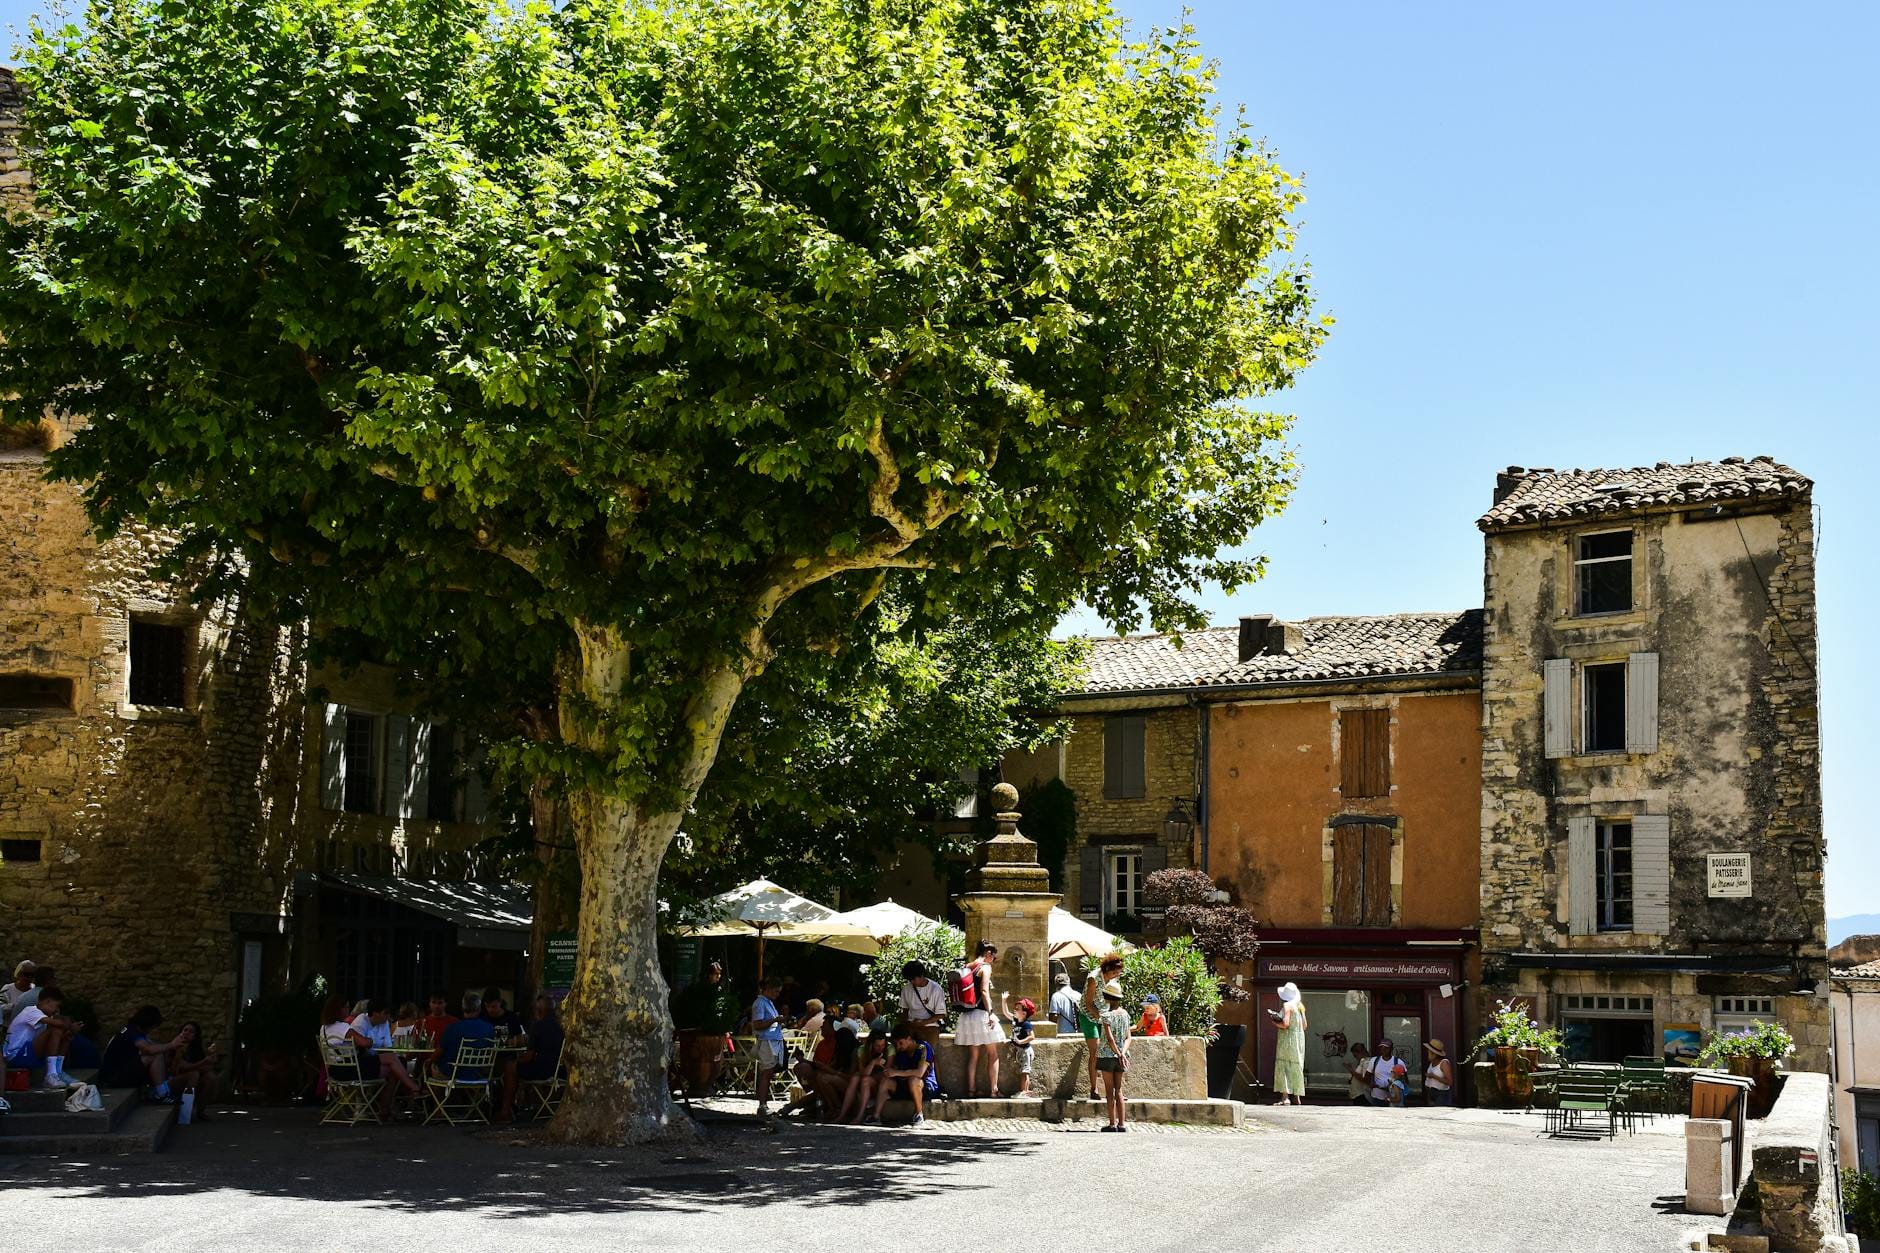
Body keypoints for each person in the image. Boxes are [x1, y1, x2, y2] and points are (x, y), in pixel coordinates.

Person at [497, 994, 564, 1121]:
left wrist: (517, 1060)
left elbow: (529, 1056)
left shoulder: (538, 1026)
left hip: (543, 1070)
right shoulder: (560, 1026)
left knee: (510, 1067)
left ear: (539, 1011)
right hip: (558, 1070)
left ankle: (505, 1111)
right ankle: (525, 1104)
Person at [351, 998, 422, 1113]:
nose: (388, 1017)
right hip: (361, 1063)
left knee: (397, 1065)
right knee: (395, 1066)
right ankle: (413, 1090)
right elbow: (362, 1048)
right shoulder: (361, 1023)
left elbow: (388, 1047)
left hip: (377, 1060)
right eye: (385, 1013)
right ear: (375, 1013)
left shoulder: (384, 1023)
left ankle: (385, 1109)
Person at [98, 1004, 183, 1098]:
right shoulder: (131, 1032)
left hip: (119, 1073)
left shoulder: (131, 1030)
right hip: (112, 1078)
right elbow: (149, 1049)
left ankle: (161, 1088)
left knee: (159, 1052)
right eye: (153, 1027)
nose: (152, 1030)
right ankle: (162, 1094)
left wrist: (172, 1047)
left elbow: (155, 1047)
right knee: (155, 1055)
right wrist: (172, 1044)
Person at [955, 941, 1004, 1098]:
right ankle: (994, 1090)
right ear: (989, 953)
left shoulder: (968, 966)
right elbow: (984, 991)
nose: (993, 961)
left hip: (967, 1015)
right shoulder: (985, 967)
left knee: (973, 1056)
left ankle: (971, 1090)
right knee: (993, 1053)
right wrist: (990, 1012)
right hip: (982, 1014)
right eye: (994, 957)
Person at [5, 984, 77, 1089]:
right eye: (56, 1006)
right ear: (47, 1001)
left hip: (28, 1053)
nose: (57, 1010)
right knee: (55, 1029)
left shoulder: (45, 1017)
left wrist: (70, 1032)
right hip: (16, 1055)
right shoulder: (31, 1011)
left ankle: (57, 1071)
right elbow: (59, 1024)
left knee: (66, 1035)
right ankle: (50, 1075)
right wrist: (69, 1025)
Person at [1080, 952, 1126, 1102]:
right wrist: (1100, 1018)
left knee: (1113, 1051)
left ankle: (1116, 1091)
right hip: (1089, 1016)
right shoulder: (1094, 978)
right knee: (1095, 1051)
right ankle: (1093, 1088)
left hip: (1105, 1016)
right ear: (1106, 968)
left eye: (1117, 973)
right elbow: (1088, 1002)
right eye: (1113, 972)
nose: (1115, 975)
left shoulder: (1113, 979)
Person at [869, 1024, 931, 1126]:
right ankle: (876, 1116)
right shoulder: (900, 1051)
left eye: (901, 1043)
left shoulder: (923, 1048)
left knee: (913, 1080)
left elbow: (920, 1072)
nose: (898, 1046)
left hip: (923, 1088)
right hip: (903, 1086)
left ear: (909, 1038)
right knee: (885, 1081)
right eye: (896, 1043)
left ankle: (919, 1114)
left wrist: (896, 1072)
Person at [1095, 979, 1131, 1132]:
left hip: (1107, 1055)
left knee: (1109, 1091)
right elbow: (1129, 1037)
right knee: (1120, 1090)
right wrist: (1122, 1054)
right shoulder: (1125, 1014)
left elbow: (1109, 1039)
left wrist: (1116, 1053)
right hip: (1122, 1056)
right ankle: (1122, 1124)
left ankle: (1112, 1124)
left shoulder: (1106, 1015)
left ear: (1107, 997)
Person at [169, 1023, 225, 1118]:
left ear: (195, 1036)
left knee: (210, 1077)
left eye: (191, 1031)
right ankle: (185, 1114)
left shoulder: (195, 1050)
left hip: (191, 1081)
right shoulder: (175, 1047)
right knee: (193, 1074)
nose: (187, 1033)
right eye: (185, 1030)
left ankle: (201, 1111)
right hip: (171, 1081)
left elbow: (205, 1068)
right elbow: (182, 1068)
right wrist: (204, 1062)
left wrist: (211, 1061)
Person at [751, 976, 786, 1119]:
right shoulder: (760, 1003)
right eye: (776, 991)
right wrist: (775, 1020)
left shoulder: (768, 1003)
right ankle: (762, 1105)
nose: (778, 995)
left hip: (772, 1040)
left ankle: (764, 1104)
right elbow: (757, 1024)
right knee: (766, 1073)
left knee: (769, 1073)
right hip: (767, 1042)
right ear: (769, 989)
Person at [838, 1033, 892, 1124]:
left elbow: (887, 1072)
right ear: (871, 1044)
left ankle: (860, 1115)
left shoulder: (890, 1048)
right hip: (868, 1079)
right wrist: (873, 1062)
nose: (880, 1048)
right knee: (855, 1078)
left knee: (865, 1080)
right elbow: (863, 1072)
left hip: (882, 1085)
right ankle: (842, 1115)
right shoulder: (862, 1050)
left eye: (883, 1045)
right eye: (877, 1046)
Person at [897, 960, 947, 1054]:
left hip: (930, 1028)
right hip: (911, 1027)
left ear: (921, 975)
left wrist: (923, 1023)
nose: (912, 982)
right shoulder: (906, 989)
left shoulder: (936, 989)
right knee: (907, 1054)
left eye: (913, 979)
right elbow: (905, 1010)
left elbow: (941, 1014)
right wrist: (906, 1024)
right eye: (909, 980)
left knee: (928, 1055)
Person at [438, 992, 497, 1069]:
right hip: (479, 1075)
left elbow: (439, 1052)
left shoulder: (452, 1028)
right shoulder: (489, 1028)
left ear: (462, 1008)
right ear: (479, 1009)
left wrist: (430, 1060)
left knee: (434, 1067)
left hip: (453, 1074)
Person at [1270, 982, 1307, 1105]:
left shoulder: (1287, 1005)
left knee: (1284, 1065)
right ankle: (1297, 1097)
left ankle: (1285, 1097)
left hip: (1288, 1039)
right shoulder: (1300, 1006)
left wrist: (1274, 1022)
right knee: (1297, 1066)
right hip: (1299, 1039)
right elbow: (1305, 1025)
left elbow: (1285, 1024)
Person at [1364, 1039, 1408, 1107]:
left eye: (1386, 1048)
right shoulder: (1374, 1060)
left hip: (1394, 1098)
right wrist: (1371, 1084)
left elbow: (1405, 1080)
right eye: (1381, 1047)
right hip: (1377, 1097)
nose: (1383, 1049)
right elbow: (1367, 1076)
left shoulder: (1399, 1062)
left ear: (1391, 1049)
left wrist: (1393, 1086)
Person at [1007, 995, 1036, 1096]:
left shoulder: (1026, 1024)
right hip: (1020, 1050)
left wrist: (1020, 1041)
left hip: (1025, 1050)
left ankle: (1025, 1092)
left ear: (1024, 1013)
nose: (1014, 1010)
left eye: (1017, 1009)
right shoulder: (1016, 1021)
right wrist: (1003, 1001)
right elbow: (1006, 1013)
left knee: (1025, 1072)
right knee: (1022, 1071)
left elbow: (1032, 1037)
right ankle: (1023, 1091)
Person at [1424, 1040, 1455, 1106]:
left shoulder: (1444, 1063)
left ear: (1434, 1054)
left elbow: (1450, 1082)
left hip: (1441, 1094)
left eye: (1429, 1051)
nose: (1427, 1052)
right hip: (1431, 1093)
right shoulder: (1432, 1062)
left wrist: (1434, 1076)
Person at [1345, 1041, 1372, 1106]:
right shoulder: (1361, 1062)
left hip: (1362, 1095)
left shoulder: (1367, 1062)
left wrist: (1352, 1070)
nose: (1355, 1057)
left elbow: (1366, 1079)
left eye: (1355, 1055)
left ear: (1361, 1052)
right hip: (1357, 1095)